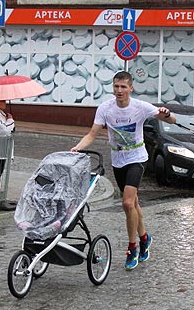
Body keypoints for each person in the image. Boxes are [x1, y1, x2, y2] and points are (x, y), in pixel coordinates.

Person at [70, 70, 176, 270]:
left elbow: (172, 121)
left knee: (127, 202)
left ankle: (132, 247)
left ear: (131, 88)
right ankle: (145, 238)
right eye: (116, 87)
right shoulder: (105, 109)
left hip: (137, 158)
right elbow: (92, 134)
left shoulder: (140, 107)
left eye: (123, 87)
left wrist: (167, 114)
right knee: (133, 204)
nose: (119, 91)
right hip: (118, 160)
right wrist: (78, 147)